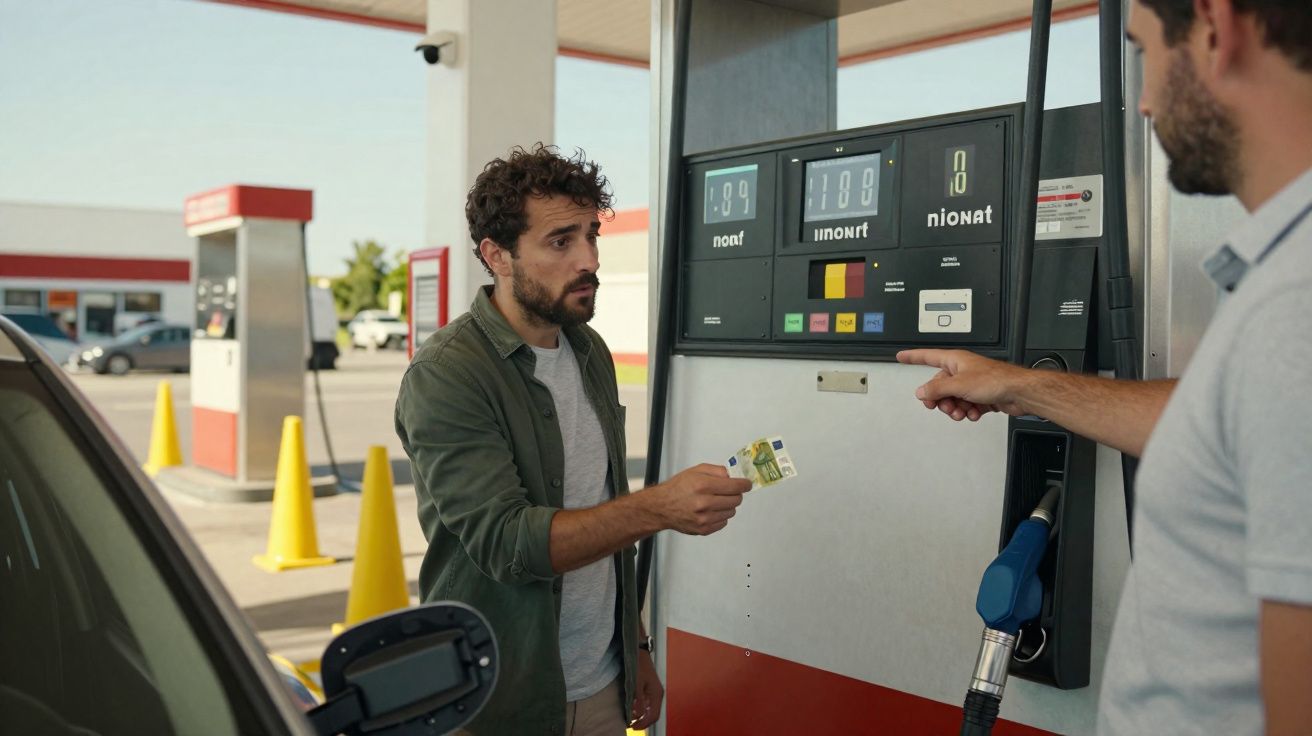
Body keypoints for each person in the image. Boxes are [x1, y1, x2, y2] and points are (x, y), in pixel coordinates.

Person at [897, 1, 1312, 733]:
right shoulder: (1281, 282)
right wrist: (1023, 387)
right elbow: (1225, 424)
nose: (1145, 100)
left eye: (1145, 51)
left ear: (1216, 30)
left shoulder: (1295, 307)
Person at [395, 144, 752, 735]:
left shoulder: (588, 351)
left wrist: (635, 651)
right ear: (497, 255)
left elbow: (603, 514)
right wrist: (659, 507)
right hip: (498, 696)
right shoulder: (448, 374)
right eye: (561, 241)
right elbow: (509, 544)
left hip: (601, 683)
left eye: (592, 235)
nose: (588, 259)